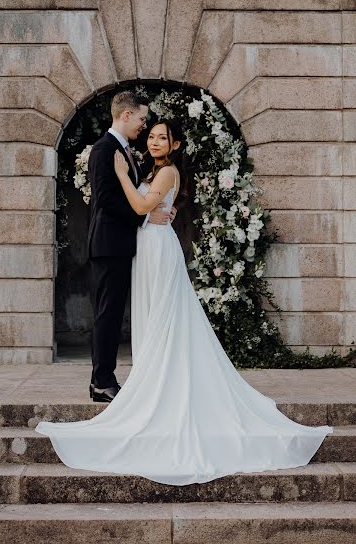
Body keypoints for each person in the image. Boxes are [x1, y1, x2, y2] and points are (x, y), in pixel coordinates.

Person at [36, 117, 333, 486]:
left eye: (163, 137)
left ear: (175, 145)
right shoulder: (152, 168)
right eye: (153, 136)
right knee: (152, 315)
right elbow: (147, 209)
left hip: (158, 250)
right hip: (146, 248)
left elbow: (144, 206)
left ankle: (160, 383)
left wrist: (124, 178)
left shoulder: (166, 172)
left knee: (164, 317)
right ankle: (150, 376)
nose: (156, 141)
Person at [86, 91, 177, 403]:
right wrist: (146, 216)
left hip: (123, 244)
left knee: (113, 313)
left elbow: (137, 193)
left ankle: (107, 377)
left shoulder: (124, 150)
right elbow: (106, 199)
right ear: (126, 116)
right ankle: (101, 381)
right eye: (141, 119)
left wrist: (158, 207)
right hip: (109, 244)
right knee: (107, 314)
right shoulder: (104, 149)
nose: (143, 125)